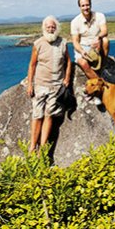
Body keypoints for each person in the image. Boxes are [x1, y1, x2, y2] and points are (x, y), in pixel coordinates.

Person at [26, 15, 72, 154]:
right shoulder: (38, 43)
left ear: (56, 28)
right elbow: (32, 65)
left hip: (56, 86)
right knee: (37, 115)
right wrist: (30, 84)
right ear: (44, 28)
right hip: (40, 84)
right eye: (48, 27)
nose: (51, 29)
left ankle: (43, 149)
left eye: (53, 27)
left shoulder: (63, 43)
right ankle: (32, 147)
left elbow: (68, 62)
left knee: (49, 115)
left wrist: (67, 78)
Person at [71, 0, 109, 79]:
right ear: (79, 7)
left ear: (91, 5)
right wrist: (81, 51)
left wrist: (98, 38)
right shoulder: (75, 22)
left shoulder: (99, 16)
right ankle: (99, 82)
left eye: (87, 5)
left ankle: (103, 64)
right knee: (83, 63)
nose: (86, 8)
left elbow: (104, 31)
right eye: (83, 5)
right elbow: (75, 41)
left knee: (105, 40)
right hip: (83, 46)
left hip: (97, 44)